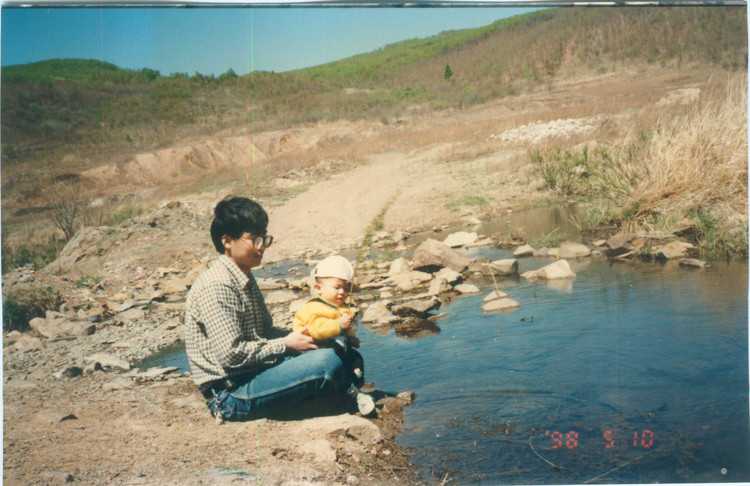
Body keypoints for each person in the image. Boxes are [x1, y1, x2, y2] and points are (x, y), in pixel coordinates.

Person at [183, 196, 350, 422]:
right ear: (227, 241)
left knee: (334, 347)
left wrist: (307, 337)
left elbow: (266, 331)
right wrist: (287, 344)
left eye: (264, 238)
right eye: (254, 239)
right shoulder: (216, 286)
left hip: (253, 374)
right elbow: (231, 355)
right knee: (326, 363)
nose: (261, 247)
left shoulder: (243, 278)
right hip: (231, 395)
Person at [293, 255, 376, 416]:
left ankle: (355, 381)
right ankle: (352, 393)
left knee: (356, 358)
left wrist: (351, 336)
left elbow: (347, 327)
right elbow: (317, 329)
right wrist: (338, 325)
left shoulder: (342, 307)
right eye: (337, 287)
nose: (342, 293)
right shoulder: (315, 308)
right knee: (336, 360)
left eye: (346, 289)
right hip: (317, 347)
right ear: (319, 289)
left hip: (338, 346)